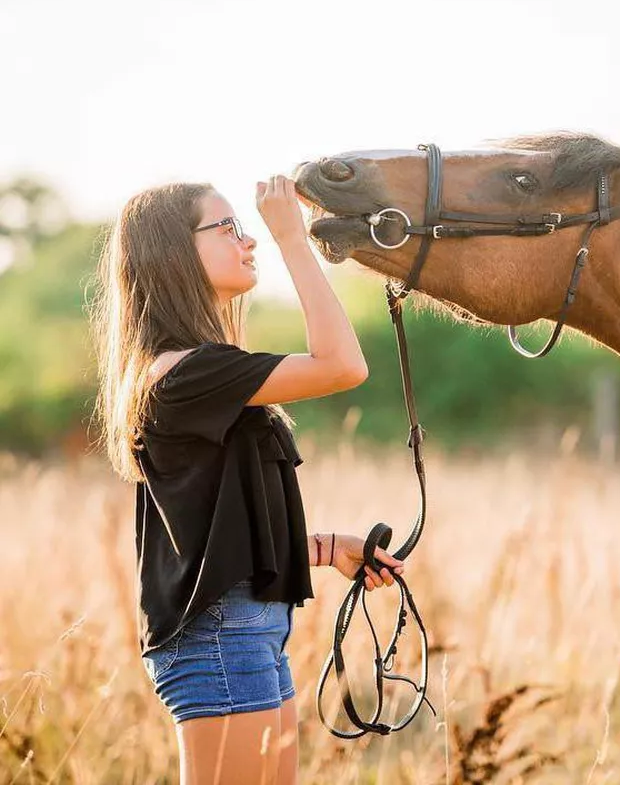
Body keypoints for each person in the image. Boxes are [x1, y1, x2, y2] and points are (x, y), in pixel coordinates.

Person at [88, 173, 404, 785]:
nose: (249, 240)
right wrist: (294, 240)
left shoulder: (202, 370)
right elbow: (343, 364)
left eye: (247, 228)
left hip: (247, 631)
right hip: (220, 640)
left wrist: (324, 547)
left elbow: (215, 530)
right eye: (228, 227)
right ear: (174, 252)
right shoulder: (183, 373)